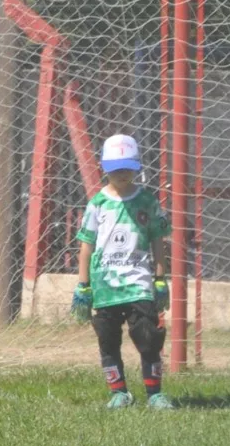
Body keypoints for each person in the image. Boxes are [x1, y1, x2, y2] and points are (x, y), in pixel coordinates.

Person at [71, 133, 173, 410]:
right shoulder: (97, 204)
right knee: (108, 339)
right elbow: (86, 247)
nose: (122, 174)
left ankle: (155, 394)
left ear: (136, 166)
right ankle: (119, 393)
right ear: (105, 168)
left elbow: (158, 241)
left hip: (138, 283)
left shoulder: (147, 202)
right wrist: (83, 286)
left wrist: (160, 279)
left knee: (148, 337)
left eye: (127, 167)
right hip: (105, 286)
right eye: (116, 169)